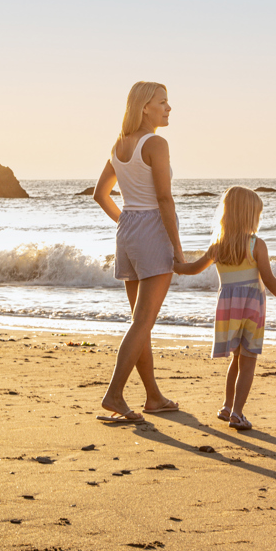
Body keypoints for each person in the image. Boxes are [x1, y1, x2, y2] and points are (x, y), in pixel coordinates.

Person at [93, 82, 186, 423]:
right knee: (143, 321)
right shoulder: (156, 143)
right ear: (145, 107)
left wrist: (128, 222)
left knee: (139, 322)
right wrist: (177, 249)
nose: (169, 108)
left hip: (128, 230)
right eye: (163, 102)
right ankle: (114, 393)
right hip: (151, 231)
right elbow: (164, 199)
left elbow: (100, 195)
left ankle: (153, 397)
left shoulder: (119, 145)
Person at [173, 186, 276, 432]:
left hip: (228, 309)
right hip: (251, 308)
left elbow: (193, 268)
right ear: (249, 216)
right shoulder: (256, 244)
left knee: (237, 359)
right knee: (248, 361)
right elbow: (268, 279)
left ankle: (228, 406)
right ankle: (237, 414)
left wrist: (173, 265)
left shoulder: (218, 246)